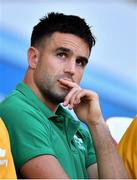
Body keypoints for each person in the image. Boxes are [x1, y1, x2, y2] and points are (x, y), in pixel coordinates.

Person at [0, 12, 128, 179]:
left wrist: (97, 123)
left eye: (80, 62)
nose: (71, 70)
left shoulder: (78, 127)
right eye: (62, 55)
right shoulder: (17, 111)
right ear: (33, 58)